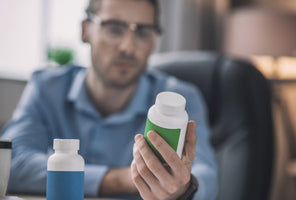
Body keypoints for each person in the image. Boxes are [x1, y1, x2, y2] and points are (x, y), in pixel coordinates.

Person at [1, 0, 217, 199]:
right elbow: (11, 164)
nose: (128, 47)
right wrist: (122, 179)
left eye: (143, 32)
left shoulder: (179, 99)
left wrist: (182, 188)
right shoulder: (47, 88)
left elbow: (206, 178)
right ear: (85, 30)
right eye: (114, 28)